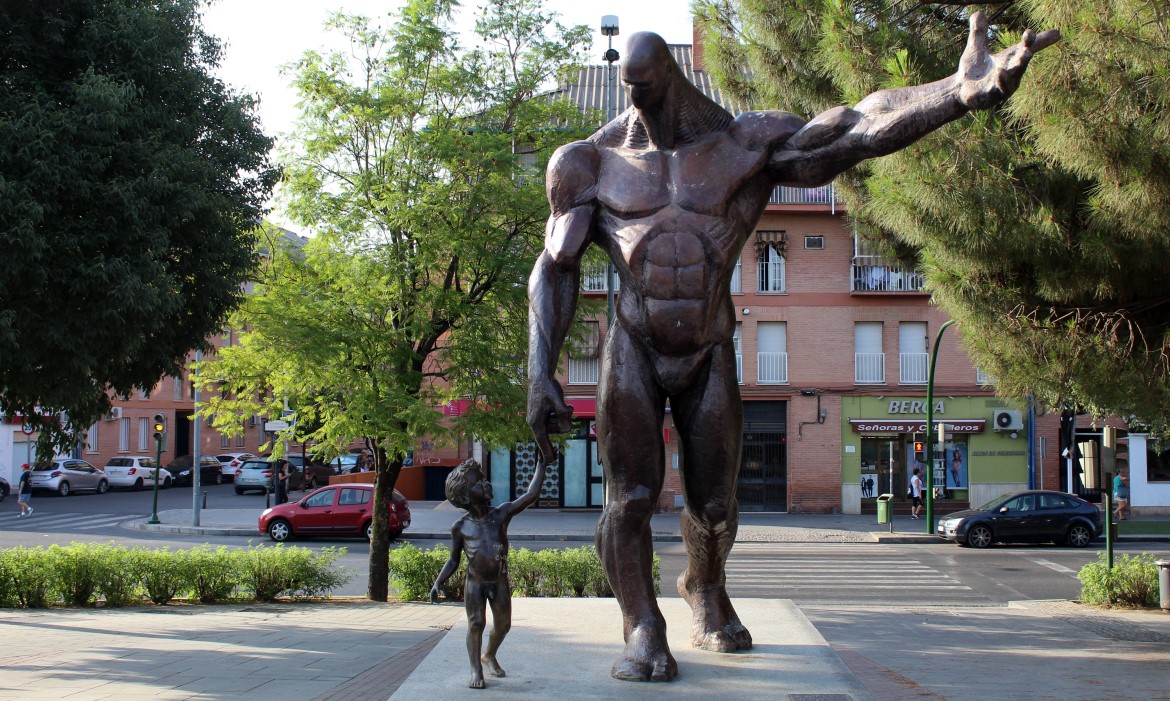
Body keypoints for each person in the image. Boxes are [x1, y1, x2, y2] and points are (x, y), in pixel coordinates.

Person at [526, 14, 1057, 682]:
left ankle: (705, 585)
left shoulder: (746, 143)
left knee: (715, 505)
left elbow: (856, 127)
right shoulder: (587, 164)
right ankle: (642, 627)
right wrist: (538, 368)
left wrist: (953, 91)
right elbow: (554, 267)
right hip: (632, 344)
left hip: (709, 346)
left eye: (649, 88)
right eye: (629, 90)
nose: (639, 105)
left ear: (675, 80)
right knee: (629, 496)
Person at [430, 457, 547, 689]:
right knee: (476, 623)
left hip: (499, 582)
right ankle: (476, 668)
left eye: (484, 479)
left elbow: (530, 496)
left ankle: (489, 654)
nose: (486, 484)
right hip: (475, 583)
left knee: (503, 625)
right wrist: (438, 582)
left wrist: (541, 466)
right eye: (478, 483)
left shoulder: (501, 514)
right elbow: (454, 559)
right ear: (464, 497)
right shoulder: (461, 527)